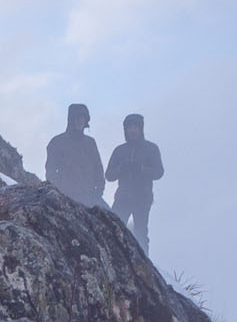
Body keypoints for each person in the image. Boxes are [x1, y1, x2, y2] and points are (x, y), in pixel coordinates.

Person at [106, 112, 164, 253]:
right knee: (113, 228)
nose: (132, 130)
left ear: (141, 129)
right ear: (125, 130)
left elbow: (159, 172)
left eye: (135, 127)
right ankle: (113, 258)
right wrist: (122, 168)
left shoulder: (151, 148)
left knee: (140, 233)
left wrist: (141, 169)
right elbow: (109, 175)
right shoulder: (120, 151)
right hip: (123, 197)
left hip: (142, 198)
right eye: (129, 127)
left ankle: (144, 267)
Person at [44, 103, 105, 207]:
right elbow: (51, 171)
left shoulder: (90, 143)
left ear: (86, 120)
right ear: (70, 120)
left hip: (89, 197)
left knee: (114, 219)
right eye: (76, 117)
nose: (79, 121)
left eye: (82, 118)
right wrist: (60, 193)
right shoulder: (57, 142)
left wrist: (98, 192)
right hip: (66, 198)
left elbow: (98, 168)